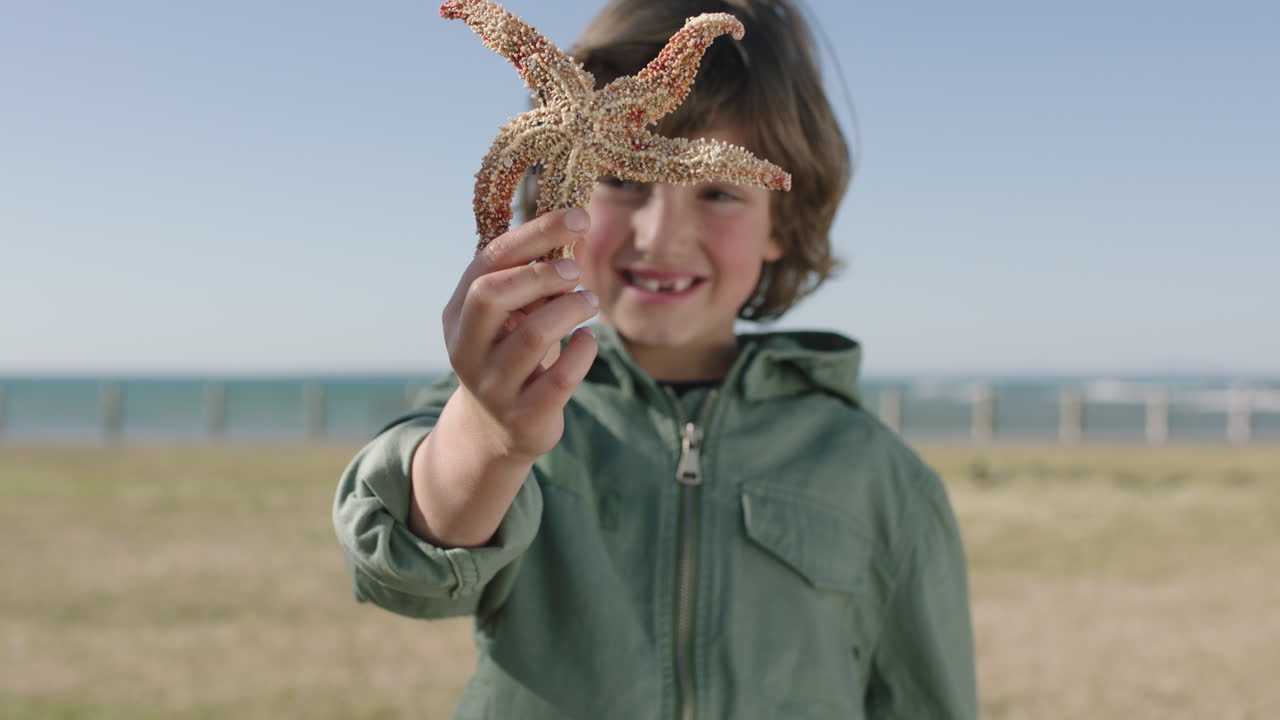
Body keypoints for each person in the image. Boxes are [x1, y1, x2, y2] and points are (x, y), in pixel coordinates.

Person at [333, 0, 977, 717]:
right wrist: (490, 433)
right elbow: (401, 573)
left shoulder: (878, 475)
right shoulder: (516, 398)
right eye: (622, 177)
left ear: (781, 224)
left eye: (717, 189)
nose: (661, 234)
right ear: (548, 190)